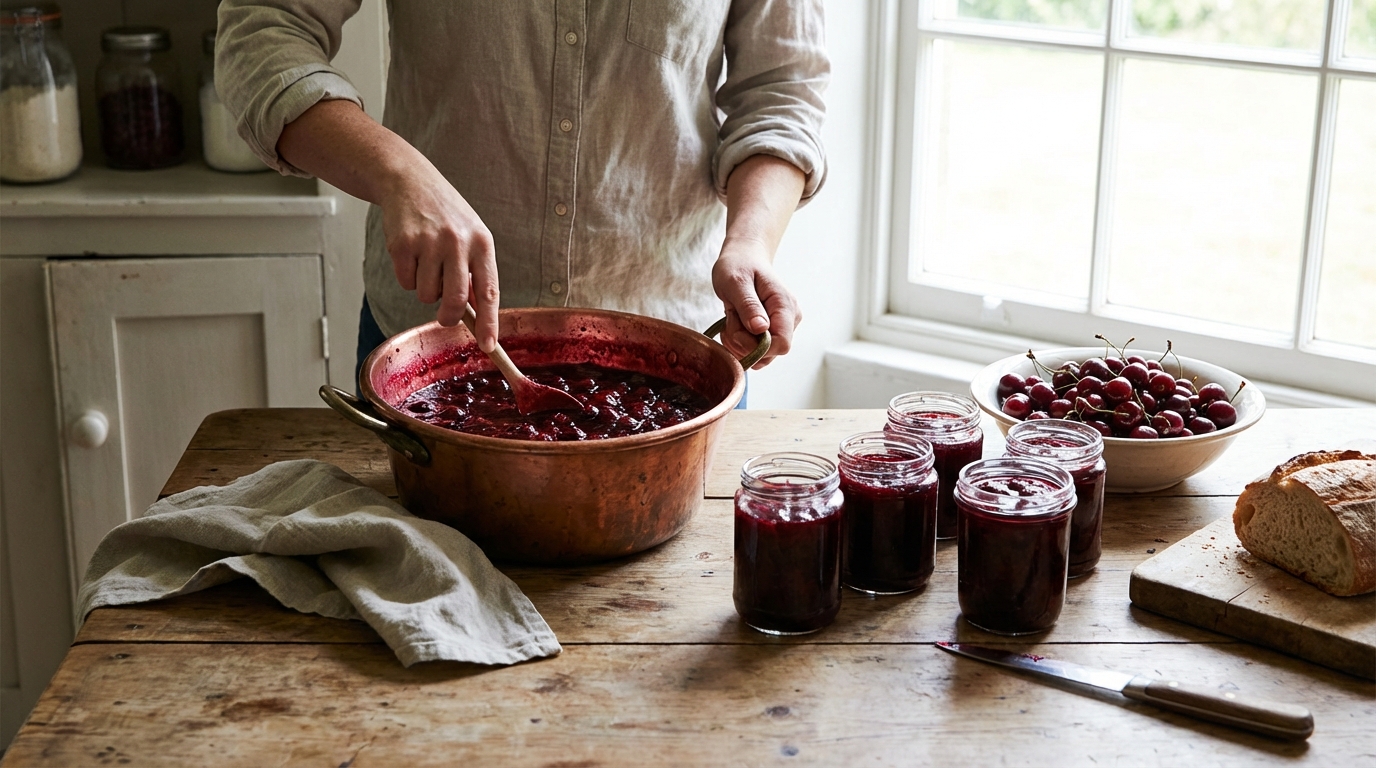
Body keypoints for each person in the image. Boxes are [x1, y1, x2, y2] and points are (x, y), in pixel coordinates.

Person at [215, 2, 828, 393]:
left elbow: (781, 91)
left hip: (677, 348)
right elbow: (263, 30)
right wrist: (399, 172)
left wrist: (751, 242)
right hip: (430, 334)